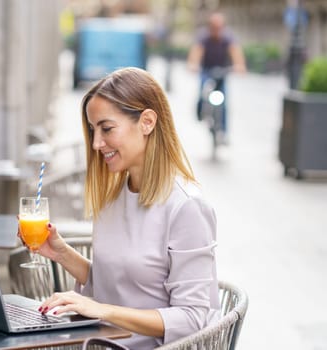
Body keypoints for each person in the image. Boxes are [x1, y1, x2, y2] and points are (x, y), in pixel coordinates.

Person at [27, 67, 220, 349]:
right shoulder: (113, 196)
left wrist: (103, 310)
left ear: (147, 122)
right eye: (93, 131)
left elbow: (193, 318)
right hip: (102, 343)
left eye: (106, 128)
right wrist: (62, 253)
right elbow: (119, 287)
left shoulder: (186, 207)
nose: (96, 144)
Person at [187, 11, 246, 141]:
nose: (217, 30)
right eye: (214, 27)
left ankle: (223, 132)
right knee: (203, 91)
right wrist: (193, 64)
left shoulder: (228, 38)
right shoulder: (203, 38)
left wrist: (239, 65)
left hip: (222, 71)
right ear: (209, 27)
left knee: (223, 102)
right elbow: (196, 52)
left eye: (219, 27)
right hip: (206, 71)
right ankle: (200, 111)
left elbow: (235, 52)